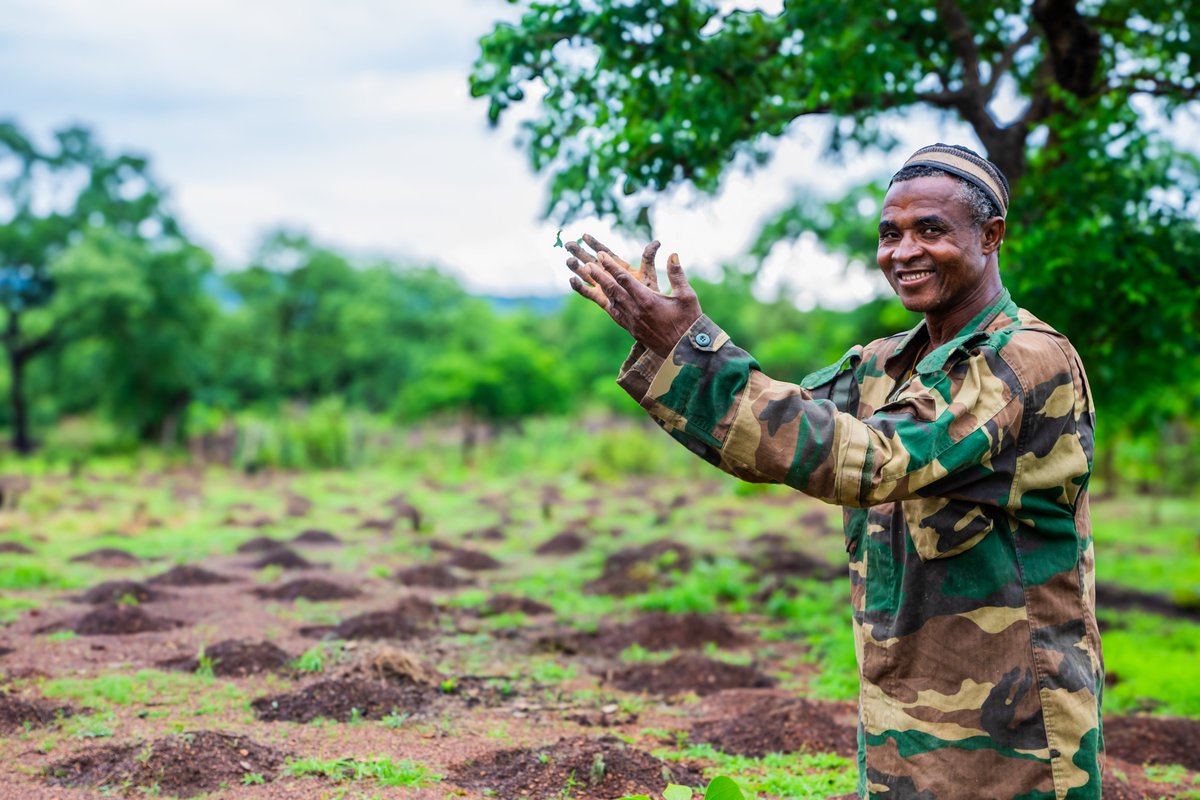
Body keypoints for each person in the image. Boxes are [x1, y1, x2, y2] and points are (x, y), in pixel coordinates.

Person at [564, 144, 1103, 800]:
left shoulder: (1024, 361)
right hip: (902, 718)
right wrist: (666, 341)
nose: (903, 251)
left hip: (1012, 733)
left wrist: (695, 345)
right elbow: (777, 437)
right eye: (889, 234)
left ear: (991, 237)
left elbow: (866, 461)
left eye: (931, 230)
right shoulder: (884, 364)